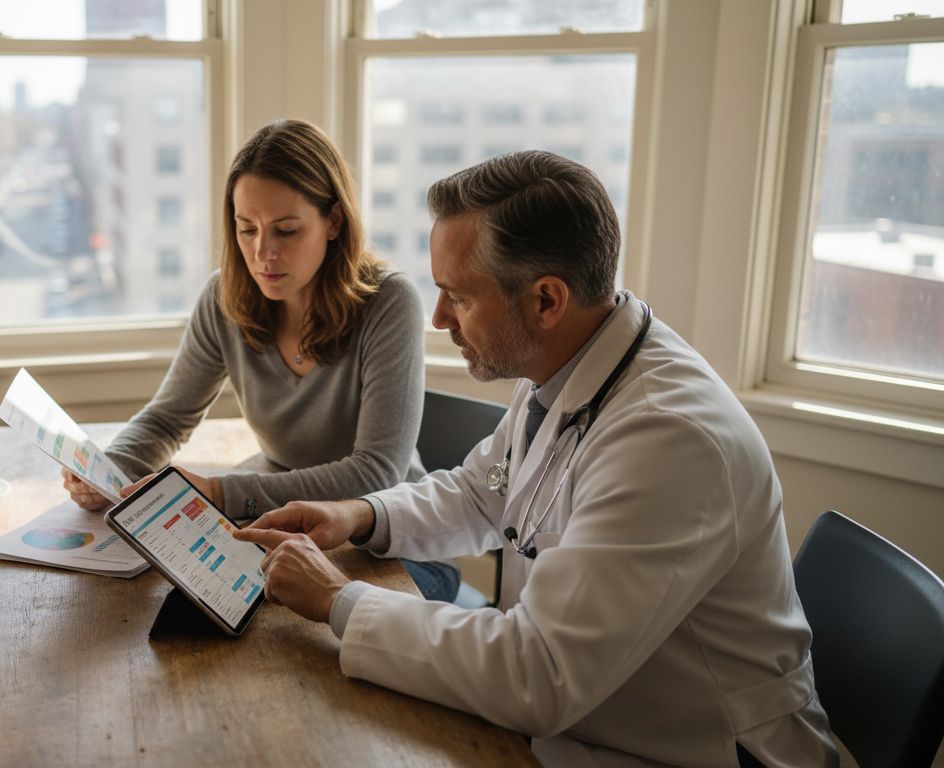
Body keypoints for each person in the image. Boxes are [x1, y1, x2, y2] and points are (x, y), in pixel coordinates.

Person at [232, 151, 838, 766]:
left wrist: (340, 599)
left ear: (546, 300)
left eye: (458, 297)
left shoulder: (668, 438)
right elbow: (480, 492)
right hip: (591, 722)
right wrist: (358, 515)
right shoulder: (566, 359)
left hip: (694, 750)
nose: (439, 318)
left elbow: (539, 673)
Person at [62, 119, 461, 601]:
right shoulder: (224, 297)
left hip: (394, 548)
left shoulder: (388, 301)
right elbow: (169, 418)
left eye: (286, 230)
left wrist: (220, 493)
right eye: (246, 228)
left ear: (333, 221)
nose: (262, 253)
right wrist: (108, 469)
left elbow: (375, 472)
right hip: (287, 531)